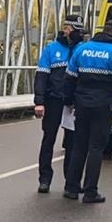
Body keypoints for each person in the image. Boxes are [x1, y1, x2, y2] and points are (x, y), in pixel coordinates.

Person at [62, 20, 112, 204]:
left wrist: (69, 100)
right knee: (96, 148)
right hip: (103, 105)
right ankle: (90, 192)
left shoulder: (82, 49)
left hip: (82, 104)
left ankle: (71, 188)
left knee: (79, 145)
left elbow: (69, 77)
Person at [32, 15, 85, 192]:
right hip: (53, 100)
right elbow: (41, 76)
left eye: (77, 29)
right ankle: (44, 179)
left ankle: (71, 181)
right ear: (66, 29)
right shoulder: (51, 49)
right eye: (70, 28)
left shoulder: (83, 50)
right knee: (49, 140)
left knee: (72, 142)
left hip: (73, 104)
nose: (72, 32)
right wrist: (39, 102)